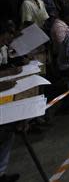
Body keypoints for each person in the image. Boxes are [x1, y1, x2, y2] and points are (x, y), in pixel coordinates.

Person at [0, 20, 21, 182]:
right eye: (9, 34)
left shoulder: (3, 48)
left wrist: (9, 70)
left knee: (8, 133)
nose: (11, 38)